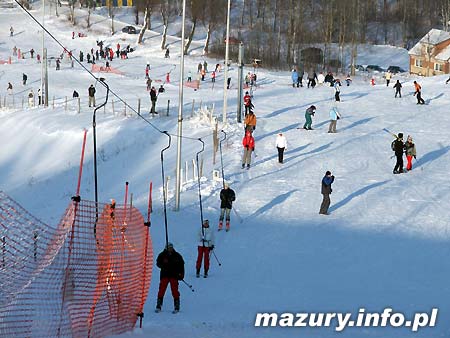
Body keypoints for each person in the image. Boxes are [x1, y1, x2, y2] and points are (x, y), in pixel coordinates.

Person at [155, 243, 184, 313]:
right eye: (168, 247)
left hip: (174, 275)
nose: (170, 249)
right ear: (166, 248)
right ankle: (159, 304)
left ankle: (177, 305)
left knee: (175, 290)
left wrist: (181, 275)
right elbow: (158, 263)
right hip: (165, 275)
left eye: (171, 247)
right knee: (161, 290)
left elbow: (181, 265)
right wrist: (163, 263)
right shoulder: (162, 255)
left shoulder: (177, 256)